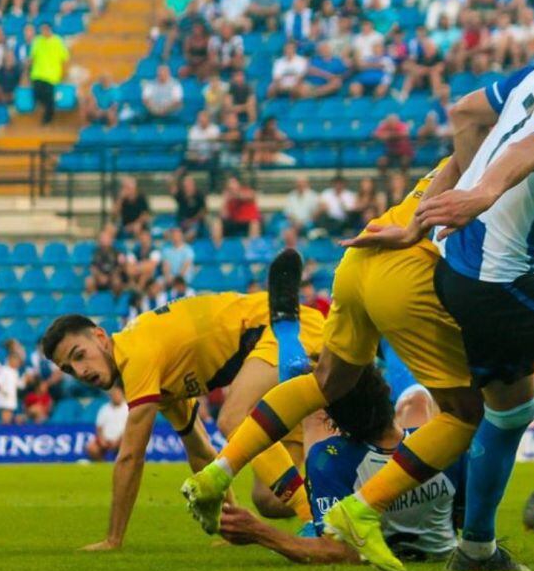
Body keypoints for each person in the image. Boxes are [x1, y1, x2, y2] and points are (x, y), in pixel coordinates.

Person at [183, 16, 534, 571]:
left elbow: (467, 114)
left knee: (502, 407)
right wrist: (479, 193)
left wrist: (434, 219)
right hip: (472, 278)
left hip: (413, 256)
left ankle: (475, 547)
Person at [182, 159, 534, 571]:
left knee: (325, 384)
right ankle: (373, 513)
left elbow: (466, 217)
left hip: (363, 257)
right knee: (466, 414)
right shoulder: (515, 170)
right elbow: (485, 245)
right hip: (409, 274)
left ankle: (218, 473)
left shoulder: (472, 153)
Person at [40, 254, 325, 551]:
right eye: (69, 369)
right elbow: (200, 451)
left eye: (79, 355)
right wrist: (230, 526)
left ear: (100, 337)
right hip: (276, 354)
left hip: (285, 328)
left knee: (233, 416)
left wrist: (113, 540)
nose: (81, 371)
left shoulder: (136, 355)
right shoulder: (159, 373)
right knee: (267, 500)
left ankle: (317, 522)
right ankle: (353, 504)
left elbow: (131, 457)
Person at [219, 367, 465, 564]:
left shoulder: (330, 459)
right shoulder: (443, 445)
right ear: (387, 391)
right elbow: (463, 518)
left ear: (334, 420)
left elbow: (337, 551)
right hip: (443, 560)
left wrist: (259, 532)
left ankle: (309, 519)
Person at [28, 22, 68, 124]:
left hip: (52, 75)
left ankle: (47, 118)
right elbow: (32, 58)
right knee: (37, 94)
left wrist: (64, 74)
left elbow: (64, 59)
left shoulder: (58, 41)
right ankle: (47, 112)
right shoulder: (37, 41)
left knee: (49, 97)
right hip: (37, 74)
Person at [87, 388, 128, 461]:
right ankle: (103, 464)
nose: (115, 396)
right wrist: (102, 440)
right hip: (106, 440)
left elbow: (129, 428)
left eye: (117, 394)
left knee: (129, 446)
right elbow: (99, 427)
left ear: (122, 394)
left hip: (122, 440)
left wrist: (118, 441)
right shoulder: (105, 408)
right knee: (91, 448)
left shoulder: (127, 408)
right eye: (113, 395)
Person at [84, 226, 127, 296]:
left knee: (117, 282)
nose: (105, 240)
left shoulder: (116, 252)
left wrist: (110, 276)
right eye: (103, 238)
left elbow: (119, 268)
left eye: (107, 238)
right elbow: (93, 268)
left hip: (111, 276)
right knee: (89, 281)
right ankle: (94, 301)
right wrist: (100, 276)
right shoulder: (96, 252)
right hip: (99, 277)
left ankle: (114, 302)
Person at [0, 350, 25, 425]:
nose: (18, 363)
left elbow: (20, 385)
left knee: (9, 416)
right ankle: (3, 430)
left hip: (11, 398)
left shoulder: (15, 372)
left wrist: (25, 378)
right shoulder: (3, 369)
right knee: (5, 417)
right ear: (10, 360)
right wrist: (4, 392)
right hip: (4, 398)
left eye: (18, 362)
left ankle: (6, 429)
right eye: (16, 361)